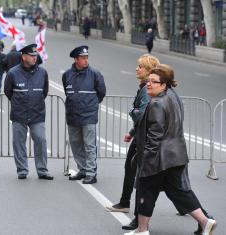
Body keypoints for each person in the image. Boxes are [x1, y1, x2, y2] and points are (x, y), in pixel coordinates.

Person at [126, 64, 216, 235]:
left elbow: (155, 135)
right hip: (176, 155)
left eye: (153, 81)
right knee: (178, 192)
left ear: (164, 84)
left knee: (147, 189)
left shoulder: (157, 104)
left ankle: (142, 230)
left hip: (159, 158)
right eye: (148, 81)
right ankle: (206, 222)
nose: (148, 84)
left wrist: (146, 157)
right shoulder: (173, 97)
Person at [106, 54, 160, 231]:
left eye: (140, 67)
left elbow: (141, 114)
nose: (137, 69)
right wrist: (131, 132)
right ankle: (125, 202)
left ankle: (137, 218)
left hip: (144, 140)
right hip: (139, 136)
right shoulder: (144, 88)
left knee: (141, 179)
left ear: (149, 71)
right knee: (132, 172)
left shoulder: (146, 90)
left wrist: (133, 111)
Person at [4, 44, 53, 180]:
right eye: (31, 56)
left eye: (35, 55)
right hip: (19, 114)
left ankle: (42, 170)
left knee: (41, 140)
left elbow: (44, 91)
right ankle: (22, 170)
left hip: (37, 113)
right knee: (19, 143)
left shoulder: (42, 73)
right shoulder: (13, 73)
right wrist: (18, 103)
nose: (34, 58)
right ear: (24, 57)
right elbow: (8, 92)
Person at [62, 45, 106, 184]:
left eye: (87, 58)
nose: (86, 60)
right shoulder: (67, 75)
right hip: (72, 115)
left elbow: (101, 93)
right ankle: (82, 169)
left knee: (89, 145)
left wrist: (91, 105)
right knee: (76, 145)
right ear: (76, 59)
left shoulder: (95, 74)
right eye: (83, 58)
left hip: (88, 116)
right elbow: (67, 93)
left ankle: (91, 173)